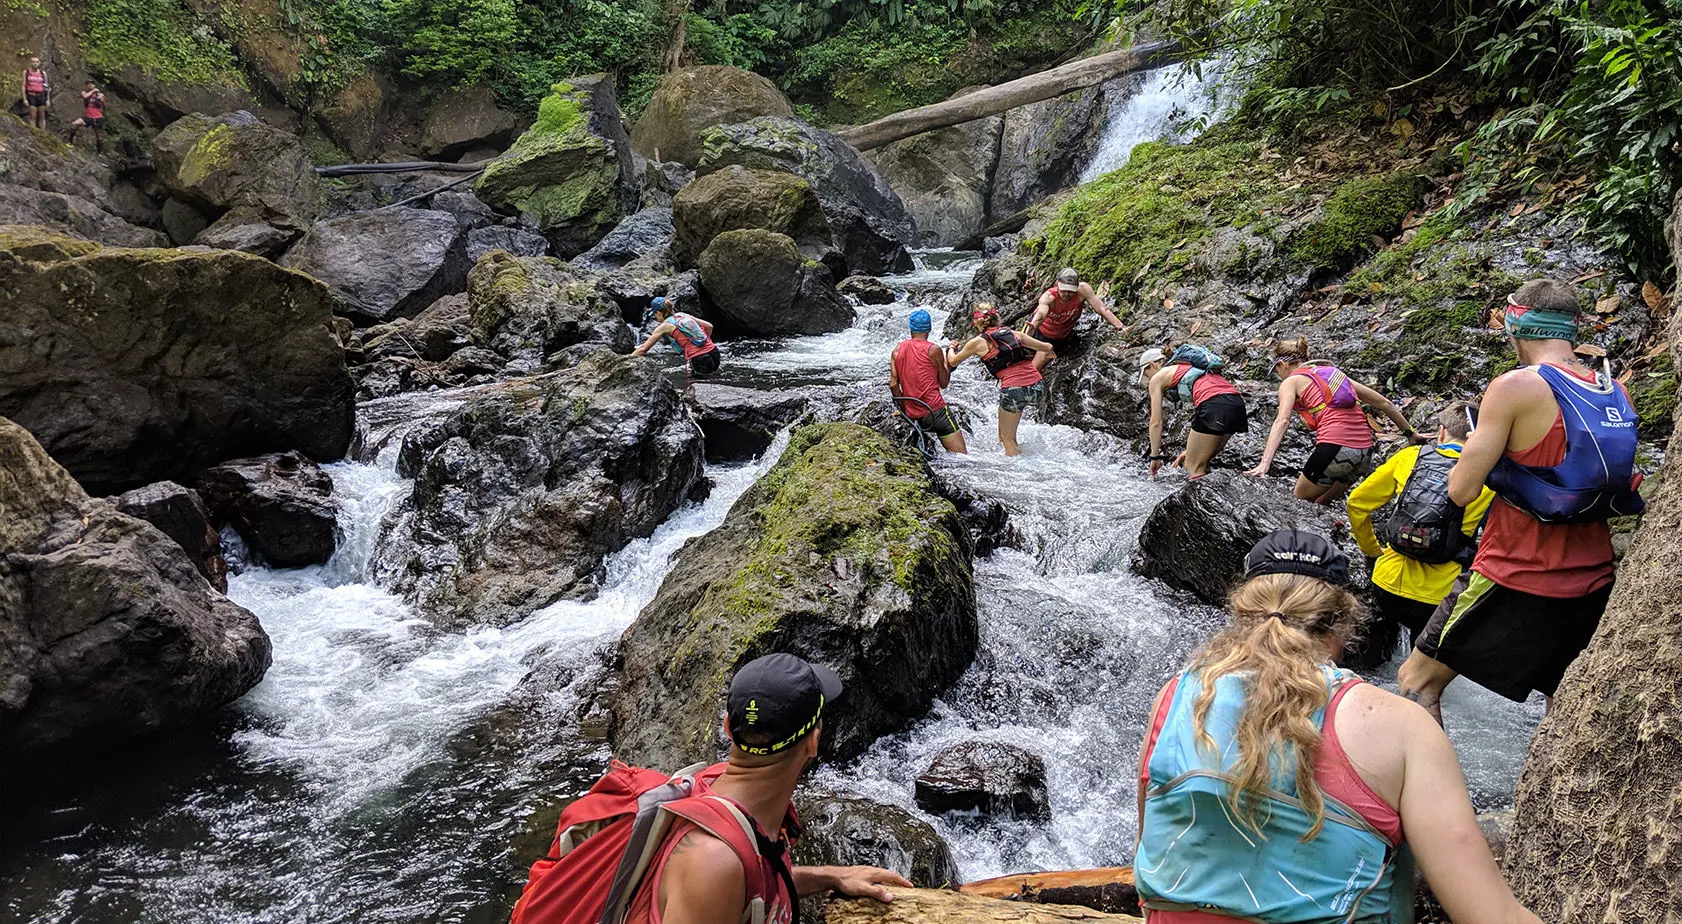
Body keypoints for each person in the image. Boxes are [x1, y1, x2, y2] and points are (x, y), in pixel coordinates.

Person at [1135, 529, 1543, 924]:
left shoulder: (1176, 698)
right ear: (1344, 625)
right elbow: (1492, 915)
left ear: (1241, 615)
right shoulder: (1400, 725)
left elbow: (1150, 854)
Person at [1398, 279, 1642, 722]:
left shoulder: (1515, 386)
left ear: (1517, 324)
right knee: (1563, 698)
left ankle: (1429, 771)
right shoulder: (1613, 391)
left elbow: (1461, 490)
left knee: (1417, 682)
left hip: (1514, 572)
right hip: (1592, 579)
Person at [626, 653, 911, 923]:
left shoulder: (718, 786)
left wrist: (829, 877)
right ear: (813, 742)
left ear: (728, 728)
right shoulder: (713, 862)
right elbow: (723, 882)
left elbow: (750, 887)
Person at [1347, 401, 1495, 646]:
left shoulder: (1409, 457)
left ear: (1441, 432)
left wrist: (1372, 551)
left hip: (1387, 584)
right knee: (1424, 657)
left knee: (1380, 645)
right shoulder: (1488, 476)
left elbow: (1356, 503)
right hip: (1440, 596)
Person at [1247, 336, 1422, 503]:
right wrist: (1410, 434)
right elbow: (1385, 403)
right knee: (1320, 505)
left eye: (1276, 370)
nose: (1279, 375)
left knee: (1298, 501)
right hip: (1364, 453)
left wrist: (1264, 464)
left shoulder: (1291, 382)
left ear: (1283, 364)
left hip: (1335, 447)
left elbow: (1282, 421)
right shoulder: (1335, 374)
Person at [948, 303, 1055, 456]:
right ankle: (1002, 454)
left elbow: (953, 361)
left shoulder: (977, 342)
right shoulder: (1015, 334)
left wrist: (951, 348)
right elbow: (1047, 347)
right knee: (1003, 429)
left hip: (1014, 390)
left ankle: (1016, 466)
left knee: (1008, 439)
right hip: (1037, 387)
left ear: (977, 322)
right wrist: (1044, 347)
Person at [1138, 345, 1249, 478]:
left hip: (1214, 404)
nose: (1149, 379)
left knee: (1193, 467)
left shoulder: (1158, 378)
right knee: (1202, 464)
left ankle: (1200, 492)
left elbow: (1156, 422)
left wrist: (1155, 457)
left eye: (1146, 374)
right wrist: (1191, 451)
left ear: (1152, 365)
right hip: (1236, 404)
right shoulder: (1193, 368)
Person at [889, 308, 967, 453]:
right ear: (929, 329)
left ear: (911, 328)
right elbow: (944, 383)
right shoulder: (934, 350)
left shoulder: (896, 350)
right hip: (936, 412)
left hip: (912, 413)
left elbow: (893, 385)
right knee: (962, 458)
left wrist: (904, 409)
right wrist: (948, 358)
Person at [1027, 267, 1126, 370]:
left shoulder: (1083, 290)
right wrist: (1032, 329)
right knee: (1026, 363)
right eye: (1064, 290)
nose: (1067, 294)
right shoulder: (1049, 297)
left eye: (1071, 291)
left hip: (1061, 336)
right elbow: (1041, 314)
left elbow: (1102, 309)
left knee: (1038, 366)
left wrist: (1121, 328)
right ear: (1057, 285)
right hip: (1037, 330)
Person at [633, 296, 720, 377]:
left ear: (658, 313)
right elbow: (709, 326)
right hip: (714, 353)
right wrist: (704, 344)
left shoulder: (664, 326)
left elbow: (643, 349)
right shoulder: (683, 315)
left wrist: (628, 359)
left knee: (696, 385)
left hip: (700, 359)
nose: (656, 318)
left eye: (655, 315)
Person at [67, 80, 104, 152]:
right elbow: (85, 96)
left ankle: (99, 151)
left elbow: (102, 101)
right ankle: (70, 142)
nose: (90, 85)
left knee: (98, 135)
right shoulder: (84, 92)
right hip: (88, 117)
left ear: (94, 85)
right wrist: (93, 91)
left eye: (92, 84)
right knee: (75, 124)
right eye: (88, 84)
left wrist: (99, 96)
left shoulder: (100, 94)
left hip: (97, 117)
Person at [21, 56, 50, 130]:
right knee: (32, 115)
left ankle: (43, 133)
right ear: (30, 63)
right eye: (33, 62)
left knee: (42, 115)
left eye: (37, 62)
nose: (35, 63)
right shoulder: (26, 72)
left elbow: (46, 87)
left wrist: (48, 99)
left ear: (39, 63)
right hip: (31, 95)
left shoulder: (43, 73)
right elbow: (23, 86)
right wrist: (25, 99)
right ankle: (33, 133)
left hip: (41, 95)